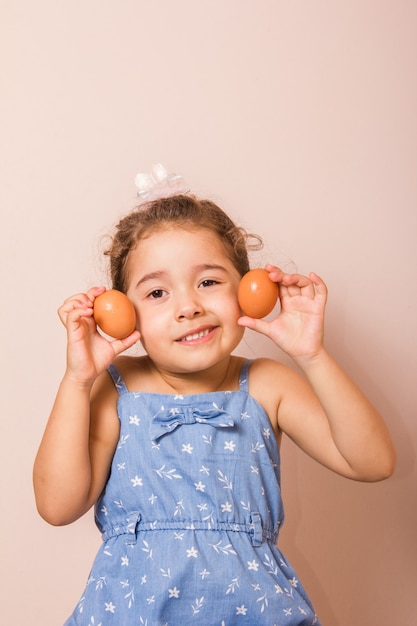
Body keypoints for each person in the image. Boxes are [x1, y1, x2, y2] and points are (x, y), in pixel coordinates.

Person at [33, 171, 396, 626]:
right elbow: (57, 506)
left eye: (208, 282)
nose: (188, 307)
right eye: (158, 292)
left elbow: (374, 462)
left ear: (247, 290)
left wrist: (313, 354)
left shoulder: (266, 384)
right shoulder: (116, 385)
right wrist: (76, 381)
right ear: (125, 315)